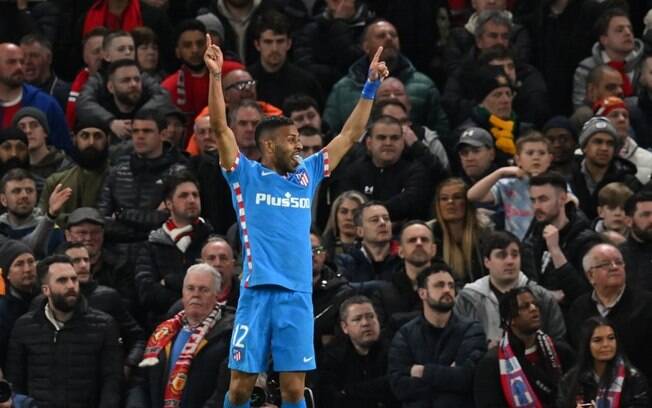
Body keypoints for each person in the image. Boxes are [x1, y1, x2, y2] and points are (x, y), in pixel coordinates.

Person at [204, 34, 389, 408]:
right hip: (256, 294)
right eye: (292, 140)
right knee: (239, 389)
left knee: (292, 390)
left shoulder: (307, 174)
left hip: (297, 296)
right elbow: (222, 129)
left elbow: (351, 134)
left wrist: (370, 86)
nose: (300, 145)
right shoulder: (245, 175)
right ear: (270, 145)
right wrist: (214, 75)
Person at [5, 255, 123, 407]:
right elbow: (15, 381)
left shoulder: (104, 325)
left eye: (73, 279)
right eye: (62, 280)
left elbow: (112, 381)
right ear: (46, 290)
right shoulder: (24, 327)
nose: (71, 286)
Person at [134, 263, 235, 407]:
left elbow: (225, 391)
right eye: (190, 288)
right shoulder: (163, 332)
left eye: (204, 290)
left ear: (217, 294)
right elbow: (140, 382)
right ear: (183, 292)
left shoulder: (230, 334)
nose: (196, 294)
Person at [388, 263, 487, 407]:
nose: (447, 290)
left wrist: (423, 371)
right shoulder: (405, 334)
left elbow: (467, 379)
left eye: (451, 286)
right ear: (423, 293)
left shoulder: (472, 330)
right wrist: (449, 376)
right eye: (440, 285)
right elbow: (399, 387)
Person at [323, 19, 448, 133]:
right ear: (366, 47)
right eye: (381, 36)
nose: (389, 38)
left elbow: (441, 132)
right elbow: (330, 133)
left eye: (393, 35)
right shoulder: (343, 89)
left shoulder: (424, 86)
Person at [455, 230, 566, 344]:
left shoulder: (541, 297)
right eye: (501, 255)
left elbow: (558, 343)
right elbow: (457, 343)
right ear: (487, 261)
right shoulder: (467, 299)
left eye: (515, 255)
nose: (510, 261)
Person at [98, 109, 188, 245]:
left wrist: (120, 216)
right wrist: (148, 225)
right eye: (135, 131)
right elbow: (101, 221)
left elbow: (175, 222)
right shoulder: (116, 172)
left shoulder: (178, 174)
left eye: (147, 131)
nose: (140, 136)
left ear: (163, 135)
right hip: (117, 254)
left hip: (161, 252)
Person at [57, 241, 146, 378]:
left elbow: (138, 337)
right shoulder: (46, 301)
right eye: (75, 261)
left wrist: (128, 365)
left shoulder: (107, 297)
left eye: (86, 260)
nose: (83, 265)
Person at [135, 171, 213, 325]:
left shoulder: (211, 242)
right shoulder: (151, 245)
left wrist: (170, 281)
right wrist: (191, 293)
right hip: (161, 328)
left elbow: (217, 287)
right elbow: (147, 295)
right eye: (184, 195)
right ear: (169, 203)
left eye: (195, 195)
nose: (191, 200)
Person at [568, 243, 652, 386]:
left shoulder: (647, 303)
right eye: (605, 264)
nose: (614, 267)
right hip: (592, 390)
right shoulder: (579, 307)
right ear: (590, 275)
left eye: (619, 262)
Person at [474, 287, 573, 408]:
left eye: (535, 304)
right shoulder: (492, 363)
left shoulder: (560, 351)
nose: (533, 309)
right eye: (525, 306)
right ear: (510, 319)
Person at [522, 172, 601, 306]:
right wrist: (546, 295)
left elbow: (584, 293)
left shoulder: (586, 240)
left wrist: (555, 250)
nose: (536, 207)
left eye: (543, 199)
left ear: (563, 199)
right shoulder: (532, 236)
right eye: (533, 200)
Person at [334, 115, 432, 222]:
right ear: (369, 143)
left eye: (394, 138)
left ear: (403, 143)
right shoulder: (353, 172)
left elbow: (410, 203)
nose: (388, 143)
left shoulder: (415, 171)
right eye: (381, 138)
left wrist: (368, 212)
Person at [317, 295, 398, 408]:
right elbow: (330, 399)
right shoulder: (332, 356)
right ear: (345, 327)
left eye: (370, 316)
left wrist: (349, 391)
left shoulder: (395, 347)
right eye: (357, 319)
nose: (366, 323)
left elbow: (399, 386)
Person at [467, 133, 553, 239]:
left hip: (545, 245)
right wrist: (500, 172)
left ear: (550, 159)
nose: (536, 157)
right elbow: (472, 195)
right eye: (530, 153)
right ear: (518, 160)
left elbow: (572, 201)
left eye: (541, 153)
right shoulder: (508, 184)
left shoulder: (556, 183)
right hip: (515, 248)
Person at [557, 316, 649, 407]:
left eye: (611, 338)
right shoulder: (570, 381)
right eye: (598, 340)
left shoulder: (633, 379)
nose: (606, 344)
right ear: (586, 345)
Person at [0, 43, 71, 153]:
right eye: (11, 62)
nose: (19, 67)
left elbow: (65, 151)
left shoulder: (46, 104)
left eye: (21, 62)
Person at [39, 117, 110, 223]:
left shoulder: (119, 179)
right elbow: (41, 223)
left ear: (108, 140)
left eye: (98, 136)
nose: (91, 142)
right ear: (74, 139)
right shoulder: (55, 183)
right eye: (85, 136)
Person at [248, 10, 323, 110]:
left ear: (289, 43)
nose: (274, 48)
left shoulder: (306, 83)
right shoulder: (247, 81)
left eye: (280, 41)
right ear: (257, 45)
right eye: (268, 42)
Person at [569, 116, 640, 220]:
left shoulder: (628, 182)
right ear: (584, 147)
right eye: (598, 142)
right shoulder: (569, 178)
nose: (604, 148)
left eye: (610, 143)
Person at [573, 9, 644, 108]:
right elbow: (580, 106)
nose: (628, 33)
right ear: (604, 39)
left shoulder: (645, 64)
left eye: (630, 29)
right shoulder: (587, 68)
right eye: (619, 30)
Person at [430, 177, 491, 283]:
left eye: (457, 197)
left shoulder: (484, 232)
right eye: (444, 198)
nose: (450, 202)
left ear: (467, 202)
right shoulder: (429, 234)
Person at [0, 168, 70, 257]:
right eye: (16, 191)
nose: (24, 195)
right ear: (3, 199)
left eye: (29, 190)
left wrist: (50, 217)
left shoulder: (53, 230)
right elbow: (18, 251)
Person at [335, 201, 401, 283]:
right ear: (360, 231)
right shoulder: (346, 262)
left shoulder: (403, 257)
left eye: (386, 219)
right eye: (375, 220)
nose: (382, 223)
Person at [161, 20, 209, 125]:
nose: (195, 50)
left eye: (200, 43)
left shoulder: (227, 76)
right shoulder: (168, 88)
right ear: (178, 52)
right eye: (187, 45)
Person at [0, 240, 36, 369]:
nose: (27, 269)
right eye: (19, 264)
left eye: (31, 262)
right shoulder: (3, 309)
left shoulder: (46, 297)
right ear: (7, 274)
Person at [11, 107, 68, 182]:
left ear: (45, 132)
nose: (28, 131)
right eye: (22, 127)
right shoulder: (12, 169)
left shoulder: (65, 165)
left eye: (34, 125)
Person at [19, 34, 70, 111]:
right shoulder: (12, 93)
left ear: (49, 58)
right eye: (23, 57)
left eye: (34, 56)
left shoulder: (67, 93)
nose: (27, 61)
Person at [321, 190, 367, 259]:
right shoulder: (322, 248)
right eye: (343, 212)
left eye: (355, 212)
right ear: (335, 215)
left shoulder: (372, 250)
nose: (349, 217)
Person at [201, 235, 240, 308]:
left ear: (233, 265)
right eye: (211, 258)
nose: (217, 263)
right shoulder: (187, 305)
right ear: (201, 264)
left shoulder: (249, 300)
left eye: (223, 258)